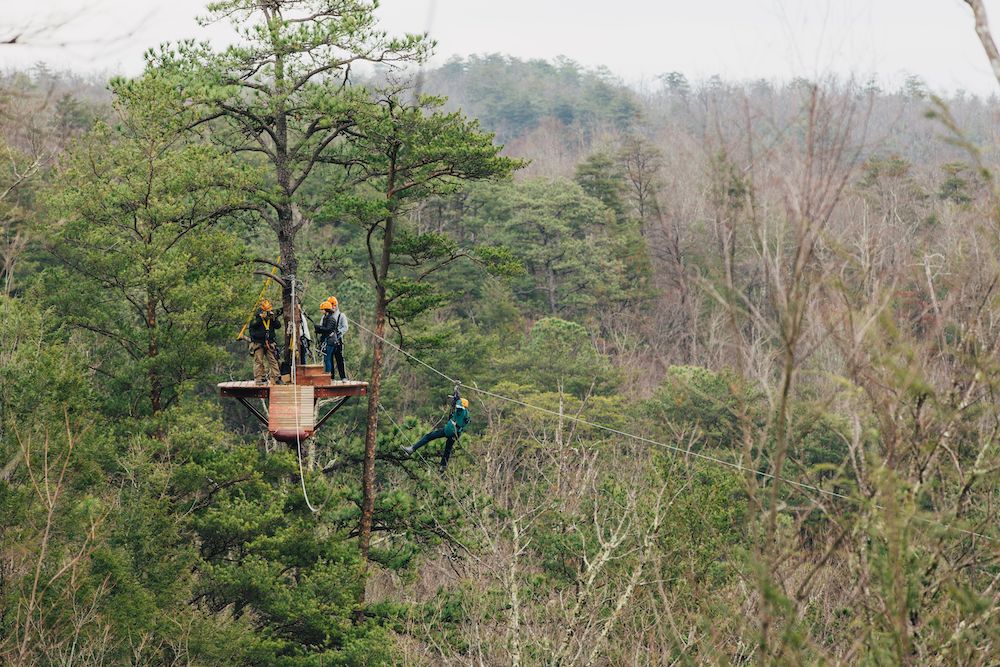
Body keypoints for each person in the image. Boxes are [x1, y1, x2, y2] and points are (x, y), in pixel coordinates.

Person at [402, 391, 471, 472]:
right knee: (447, 450)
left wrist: (457, 399)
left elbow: (459, 406)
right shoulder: (466, 413)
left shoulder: (461, 411)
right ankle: (443, 466)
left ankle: (412, 449)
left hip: (450, 430)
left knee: (429, 436)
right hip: (456, 433)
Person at [247, 299, 282, 385]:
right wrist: (260, 318)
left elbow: (278, 326)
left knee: (273, 360)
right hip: (258, 343)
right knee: (259, 361)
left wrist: (273, 318)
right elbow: (252, 327)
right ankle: (259, 379)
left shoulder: (271, 319)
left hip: (269, 343)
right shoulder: (256, 320)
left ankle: (277, 377)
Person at [314, 297, 348, 380]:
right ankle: (331, 377)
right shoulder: (325, 317)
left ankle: (343, 377)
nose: (333, 307)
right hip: (328, 339)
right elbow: (323, 326)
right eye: (332, 305)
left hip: (338, 339)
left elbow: (345, 327)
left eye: (334, 305)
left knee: (339, 358)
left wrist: (338, 333)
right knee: (329, 358)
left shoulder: (341, 315)